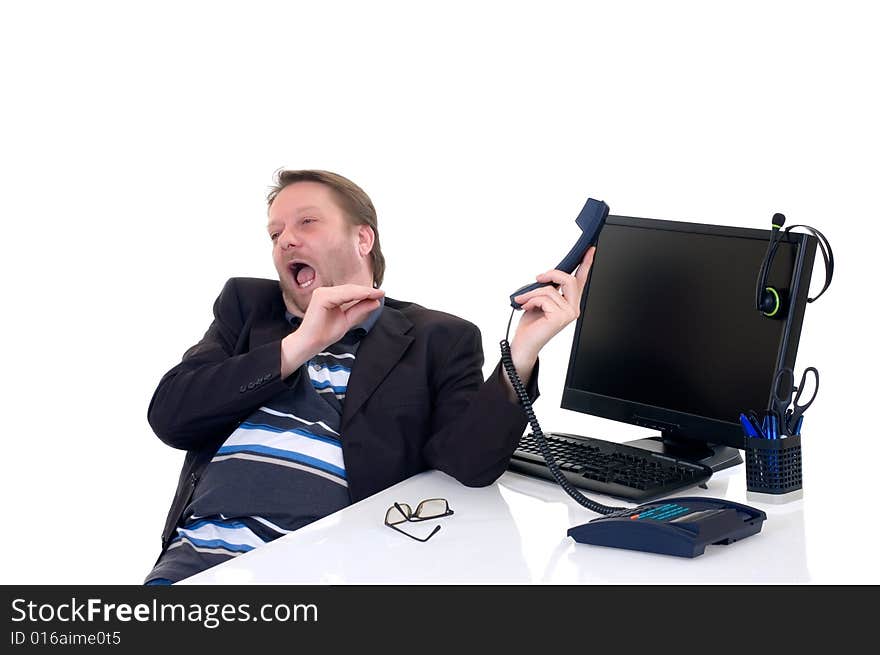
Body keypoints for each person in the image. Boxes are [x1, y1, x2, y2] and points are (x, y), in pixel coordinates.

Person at [144, 169, 596, 584]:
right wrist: (301, 344)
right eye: (275, 233)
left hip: (323, 564)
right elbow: (171, 416)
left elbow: (469, 466)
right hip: (200, 559)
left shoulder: (437, 338)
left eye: (307, 222)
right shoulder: (247, 307)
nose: (285, 241)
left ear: (363, 239)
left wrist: (521, 355)